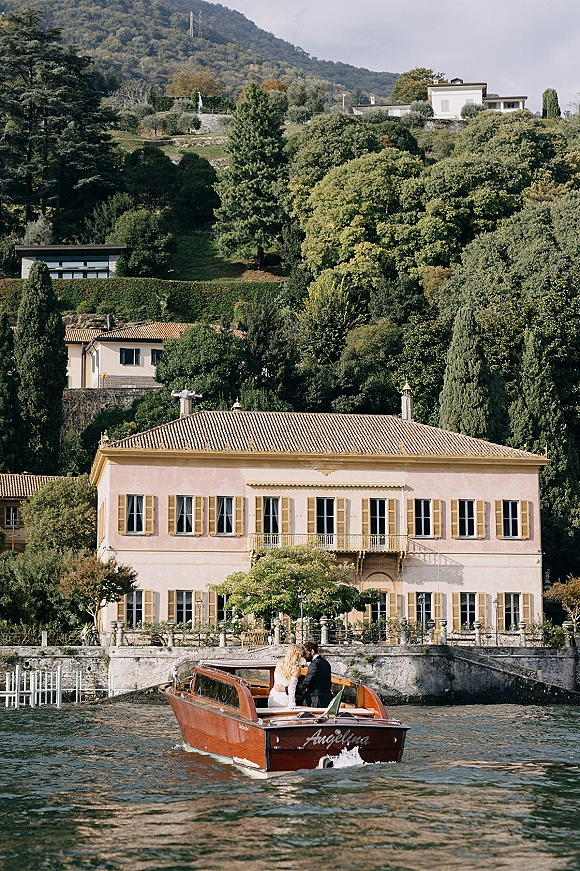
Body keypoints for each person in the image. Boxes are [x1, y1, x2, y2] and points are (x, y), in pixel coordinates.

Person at [296, 641, 332, 708]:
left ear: (312, 651)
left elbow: (306, 682)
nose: (303, 656)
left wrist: (290, 689)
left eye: (304, 653)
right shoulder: (325, 662)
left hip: (316, 699)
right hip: (326, 698)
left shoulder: (314, 664)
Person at [268, 644, 303, 709]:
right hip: (285, 700)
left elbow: (276, 683)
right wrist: (292, 704)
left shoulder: (278, 665)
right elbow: (292, 688)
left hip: (274, 697)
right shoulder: (296, 669)